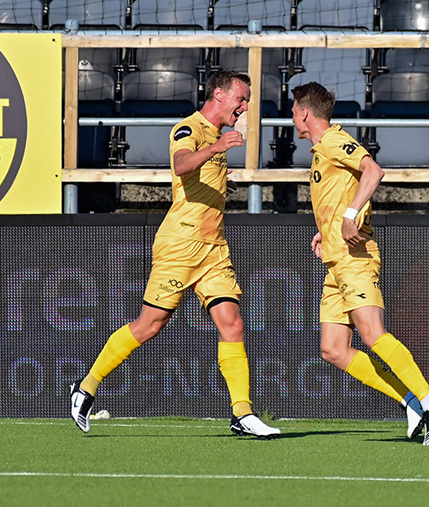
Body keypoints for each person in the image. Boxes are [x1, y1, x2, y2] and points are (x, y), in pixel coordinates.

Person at [70, 70, 281, 439]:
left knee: (232, 324)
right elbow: (181, 164)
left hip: (213, 247)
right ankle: (85, 388)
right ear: (219, 94)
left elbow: (196, 175)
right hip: (180, 245)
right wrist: (216, 149)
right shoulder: (190, 128)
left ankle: (242, 414)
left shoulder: (215, 137)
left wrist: (220, 178)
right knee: (149, 325)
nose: (245, 107)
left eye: (246, 101)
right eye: (240, 99)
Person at [291, 81, 429, 446]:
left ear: (303, 111)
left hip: (355, 258)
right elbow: (341, 192)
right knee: (333, 349)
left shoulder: (333, 140)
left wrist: (349, 217)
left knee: (372, 334)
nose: (292, 118)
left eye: (293, 111)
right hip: (336, 258)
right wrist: (327, 230)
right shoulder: (322, 149)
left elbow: (373, 171)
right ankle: (411, 402)